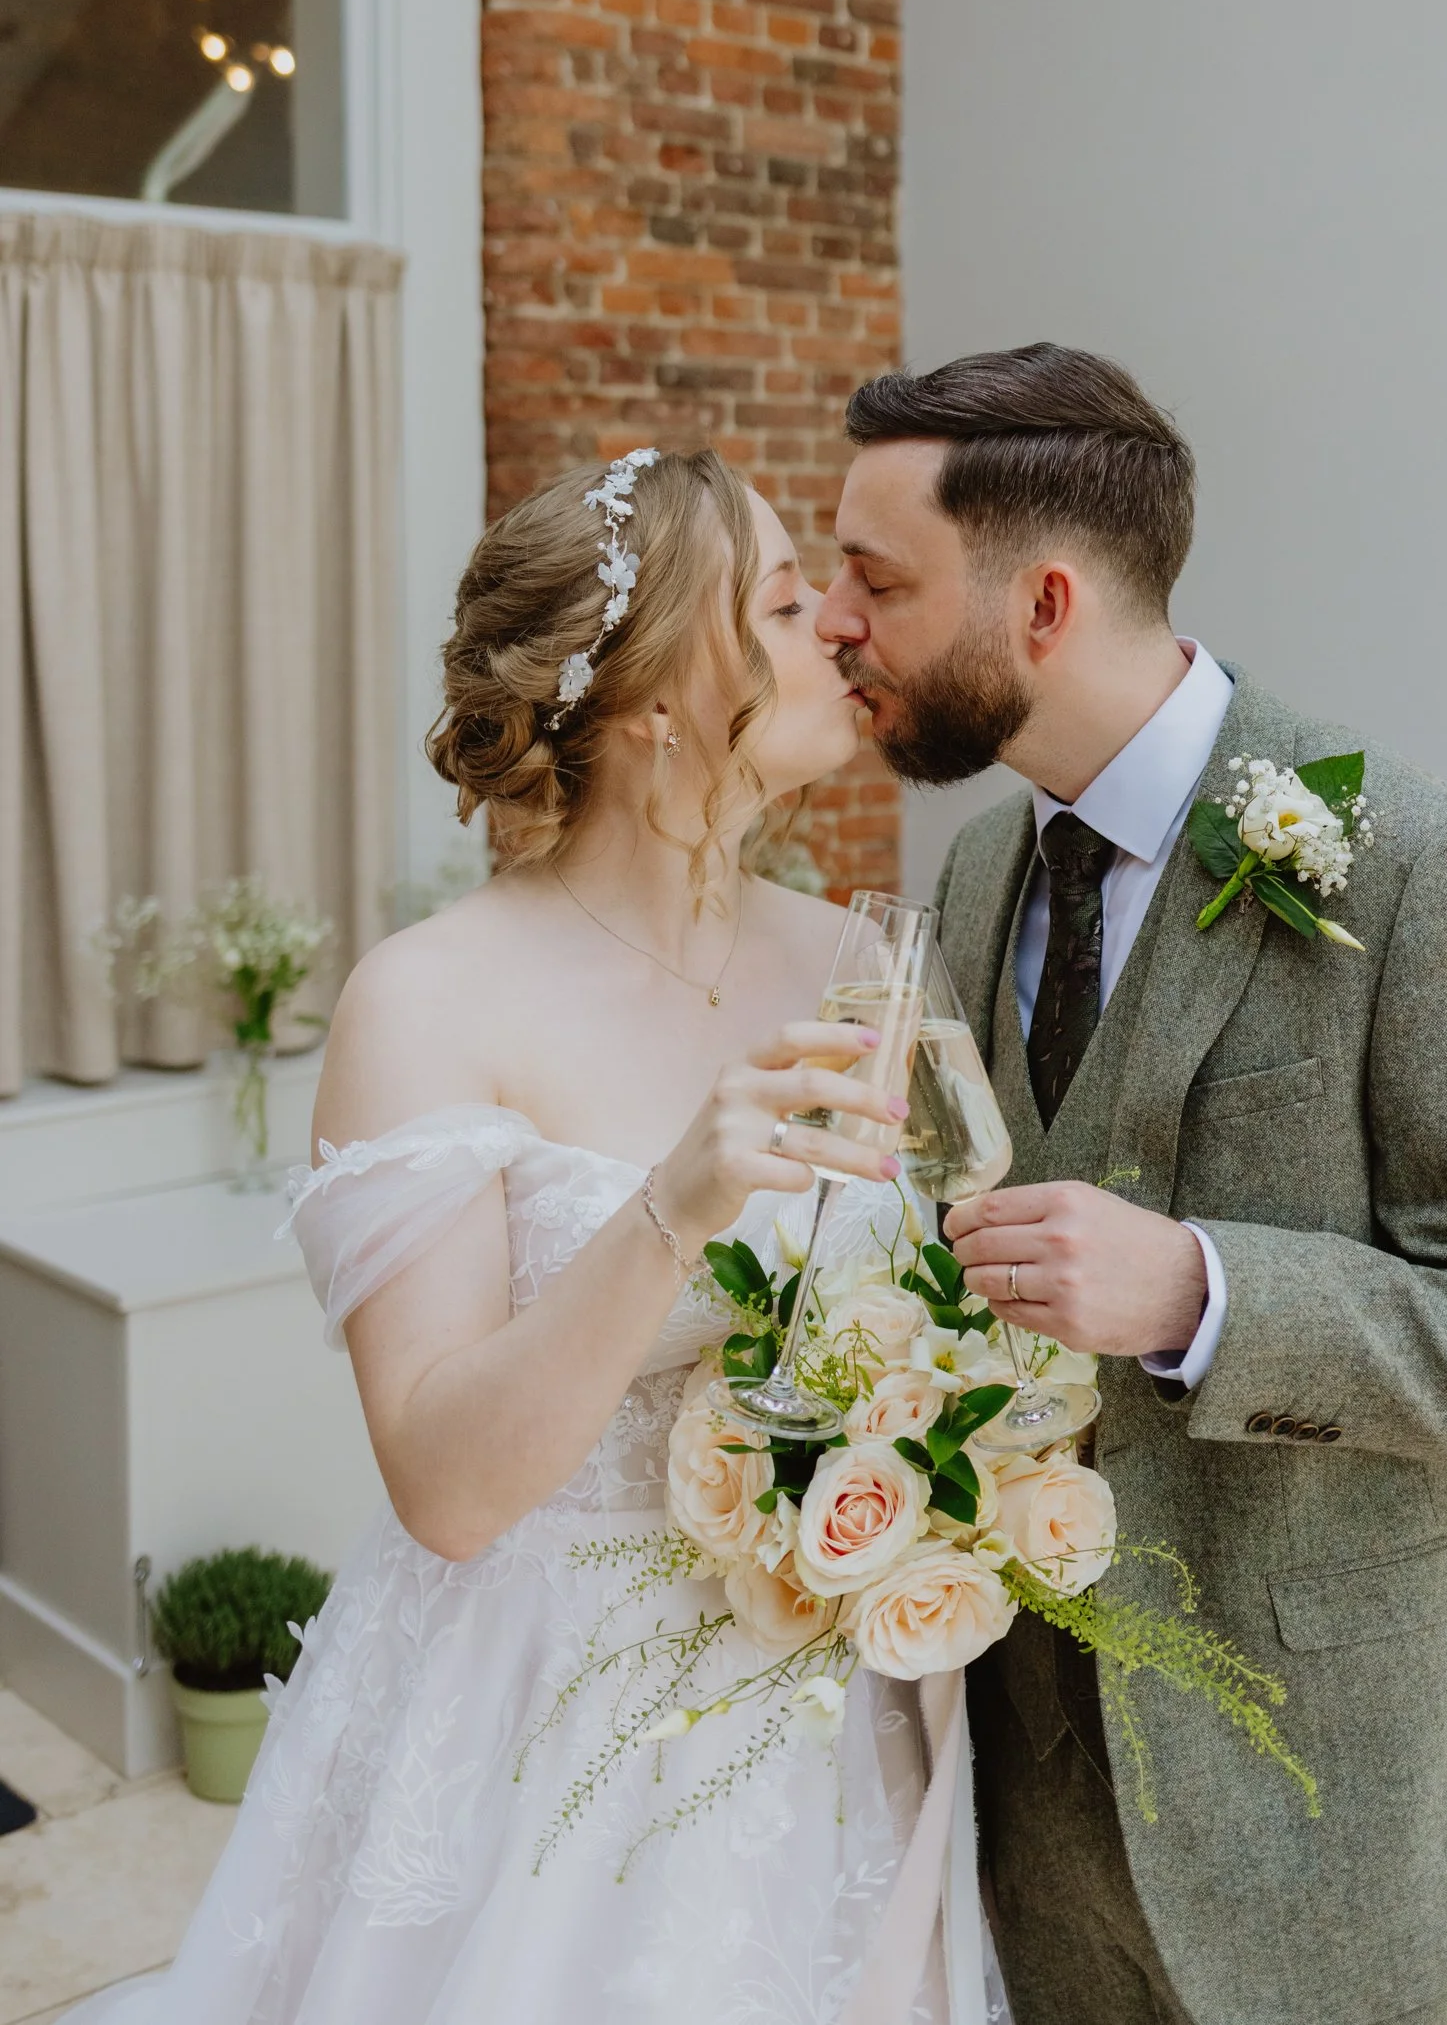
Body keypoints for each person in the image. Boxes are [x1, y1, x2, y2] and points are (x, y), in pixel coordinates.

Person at [71, 446, 995, 2025]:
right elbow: (440, 1480)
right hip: (539, 1718)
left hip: (835, 1716)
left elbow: (941, 1304)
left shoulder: (866, 959)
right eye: (782, 604)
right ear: (652, 706)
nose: (838, 628)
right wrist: (672, 1211)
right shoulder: (429, 1000)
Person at [816, 343, 1447, 2025]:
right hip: (1030, 1787)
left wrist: (1205, 1291)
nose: (837, 621)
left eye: (877, 580)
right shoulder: (975, 872)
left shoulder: (1419, 864)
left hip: (1320, 1798)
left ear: (1042, 601)